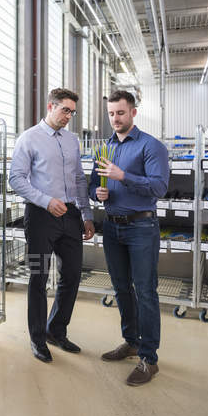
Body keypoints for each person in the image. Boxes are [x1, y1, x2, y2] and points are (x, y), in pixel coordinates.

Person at [89, 90, 169, 385]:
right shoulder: (105, 148)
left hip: (141, 228)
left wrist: (124, 177)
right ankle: (131, 341)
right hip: (112, 227)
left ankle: (149, 358)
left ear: (133, 112)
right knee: (122, 288)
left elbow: (159, 188)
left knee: (145, 291)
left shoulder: (151, 146)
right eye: (111, 114)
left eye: (120, 113)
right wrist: (96, 193)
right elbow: (91, 186)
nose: (115, 119)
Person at [9, 88, 95, 363]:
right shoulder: (29, 139)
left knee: (71, 275)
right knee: (38, 277)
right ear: (50, 106)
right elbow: (16, 178)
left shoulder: (72, 141)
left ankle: (56, 330)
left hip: (70, 216)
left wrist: (86, 214)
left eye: (72, 111)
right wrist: (45, 201)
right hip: (40, 217)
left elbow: (80, 179)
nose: (69, 116)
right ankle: (37, 339)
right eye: (65, 110)